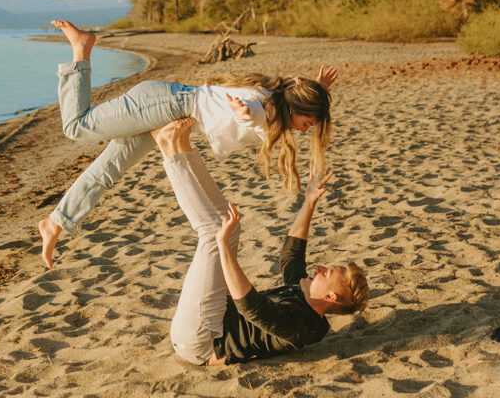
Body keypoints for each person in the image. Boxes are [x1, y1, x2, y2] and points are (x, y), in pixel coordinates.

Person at [38, 20, 336, 268]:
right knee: (76, 127)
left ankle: (56, 223)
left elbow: (272, 112)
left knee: (109, 168)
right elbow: (255, 115)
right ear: (294, 109)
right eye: (306, 124)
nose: (302, 130)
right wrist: (244, 115)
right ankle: (81, 48)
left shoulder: (273, 102)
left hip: (167, 109)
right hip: (163, 103)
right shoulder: (265, 107)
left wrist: (318, 90)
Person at [151, 117, 368, 365]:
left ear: (330, 297)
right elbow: (291, 257)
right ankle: (183, 147)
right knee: (228, 227)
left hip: (203, 340)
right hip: (216, 315)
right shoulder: (302, 294)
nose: (319, 268)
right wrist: (309, 202)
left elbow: (251, 307)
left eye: (326, 273)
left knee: (213, 234)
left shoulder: (306, 328)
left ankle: (167, 149)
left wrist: (223, 246)